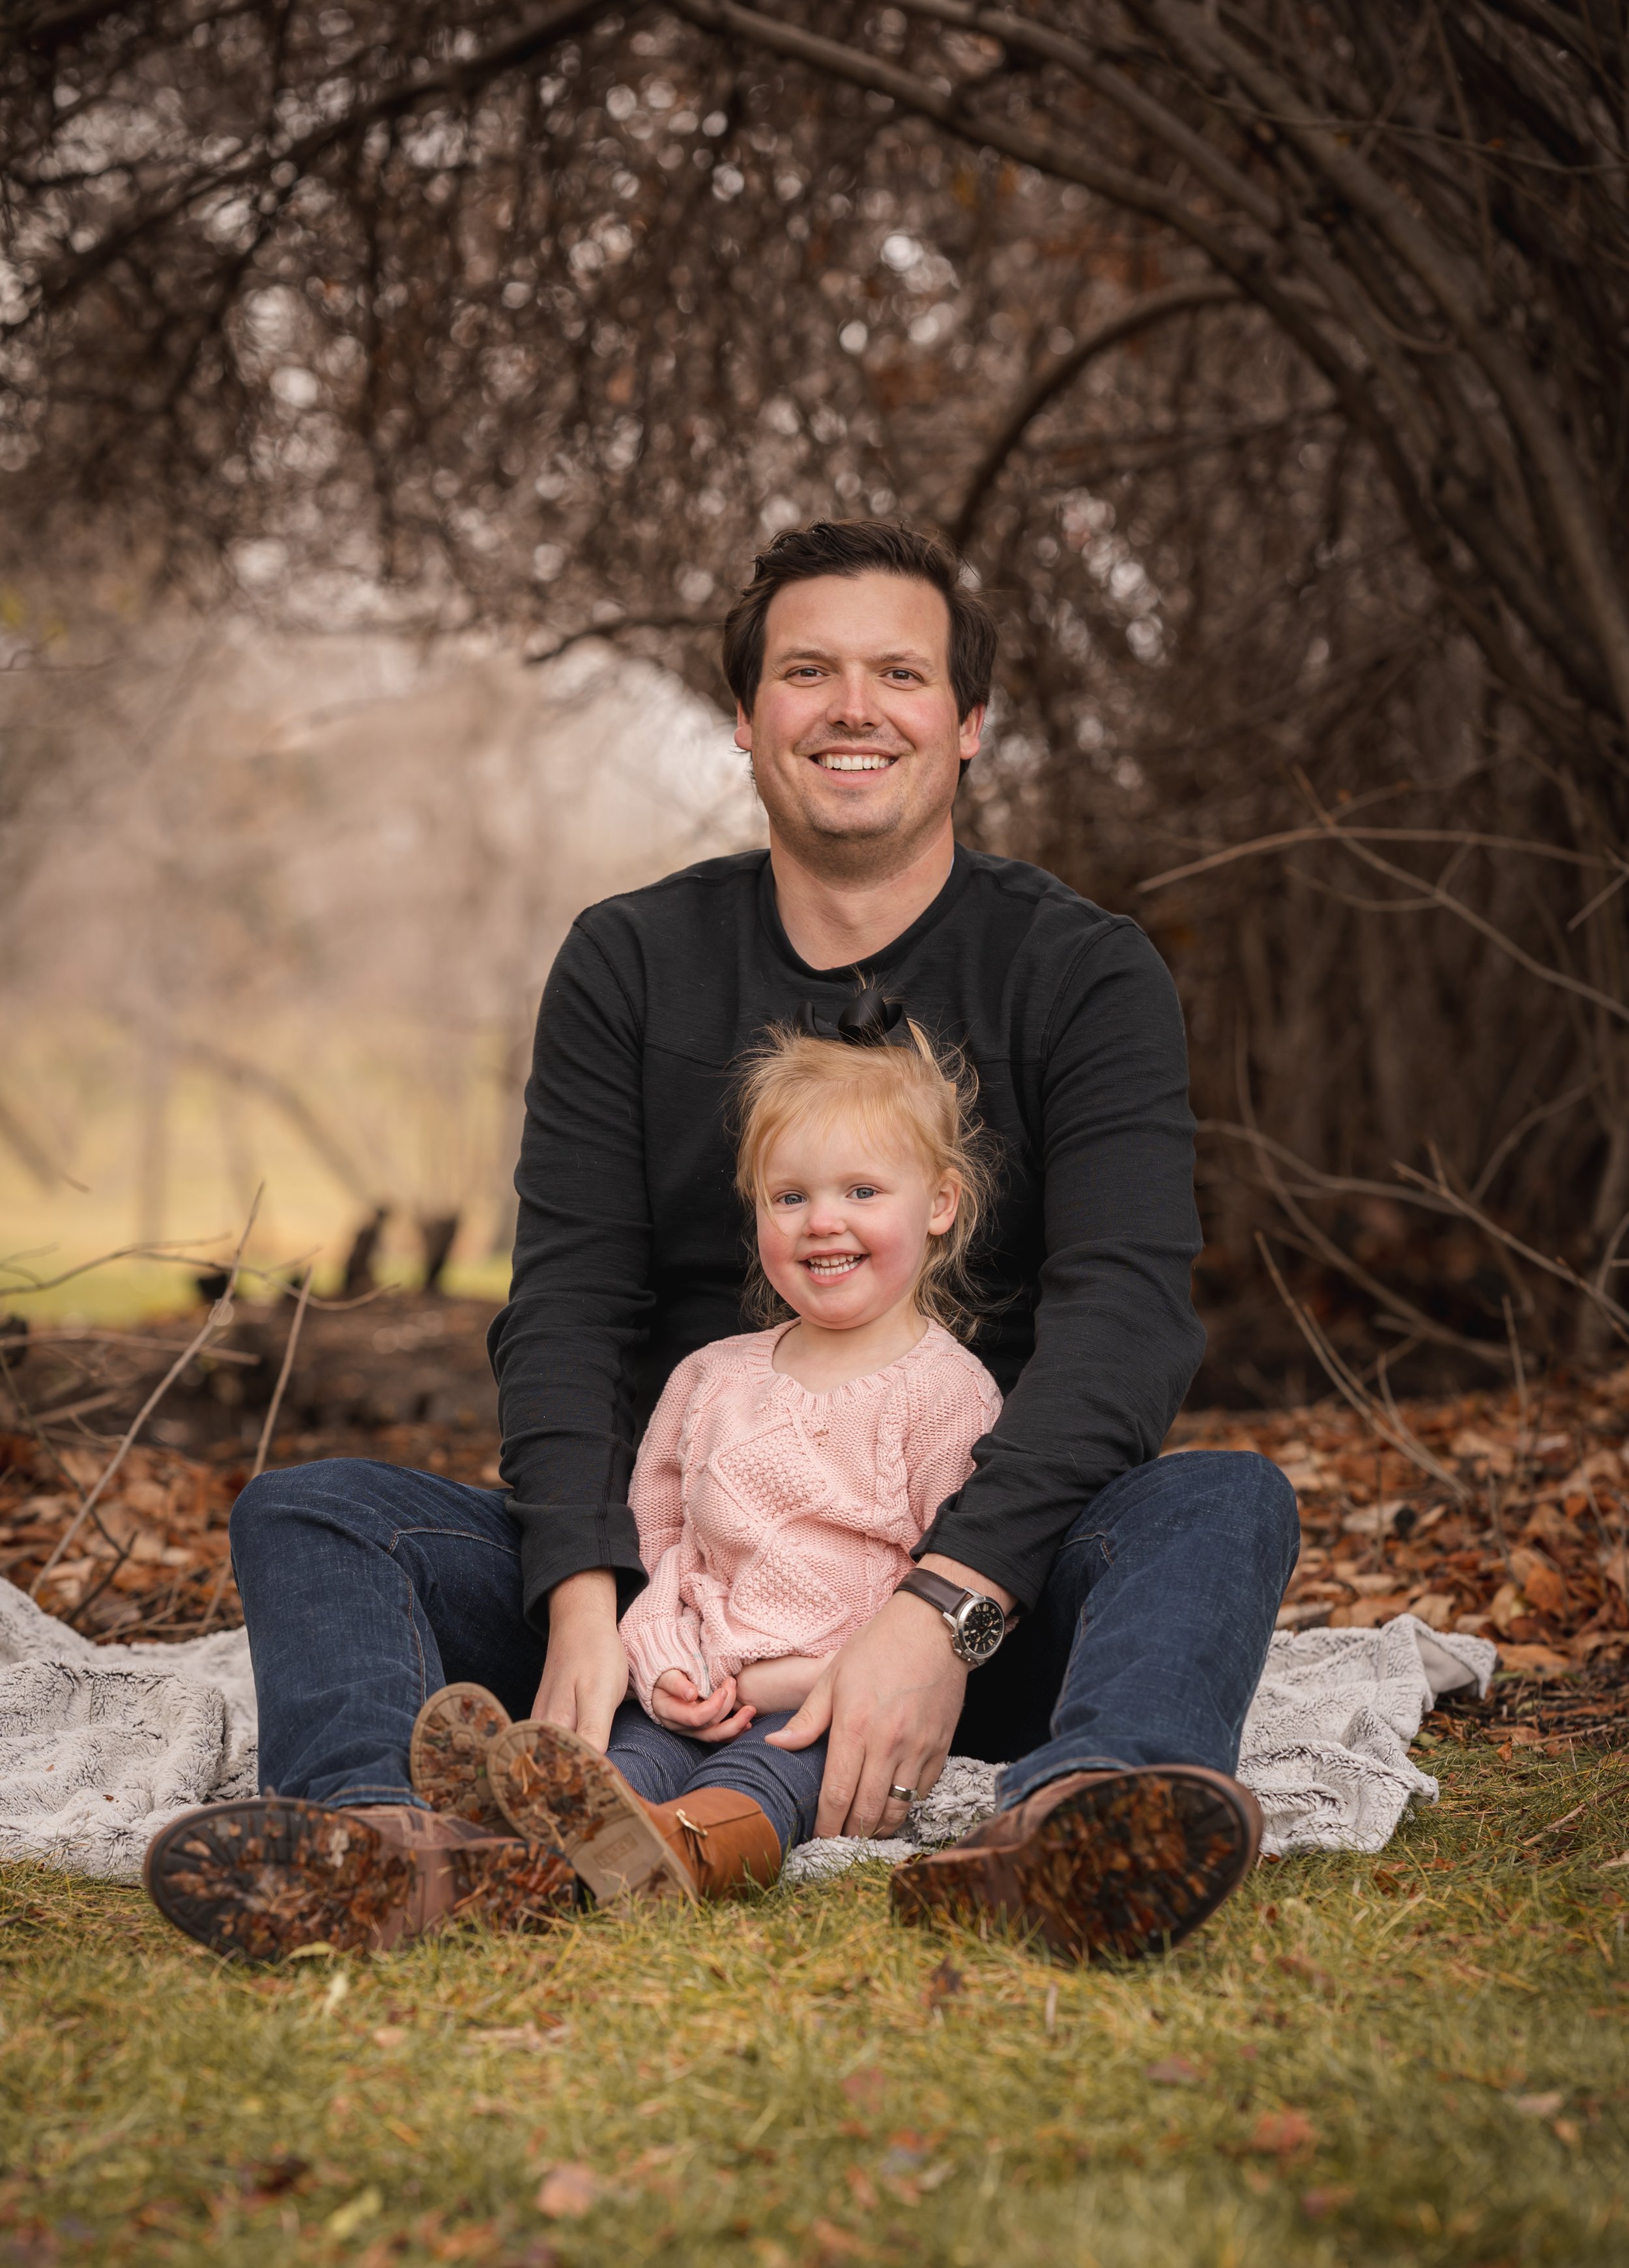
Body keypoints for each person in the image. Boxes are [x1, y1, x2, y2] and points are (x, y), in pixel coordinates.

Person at [144, 516, 1298, 1967]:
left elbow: (1123, 1325)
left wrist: (934, 1615)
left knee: (1222, 1503)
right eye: (808, 672)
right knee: (315, 1513)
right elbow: (566, 1307)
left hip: (986, 1591)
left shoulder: (1081, 971)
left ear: (967, 722)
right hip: (677, 1597)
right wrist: (586, 1606)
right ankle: (384, 1851)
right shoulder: (631, 962)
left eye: (900, 673)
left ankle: (1075, 1828)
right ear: (746, 720)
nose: (854, 708)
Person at [402, 1000, 1003, 1906]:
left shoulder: (949, 1395)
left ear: (941, 1205)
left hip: (827, 1703)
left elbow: (943, 1591)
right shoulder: (710, 1379)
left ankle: (685, 1859)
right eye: (790, 1197)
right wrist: (663, 1665)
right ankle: (509, 1847)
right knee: (628, 1761)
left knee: (764, 1777)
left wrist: (806, 1678)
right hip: (696, 1686)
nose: (822, 1221)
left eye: (862, 1192)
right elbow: (660, 1553)